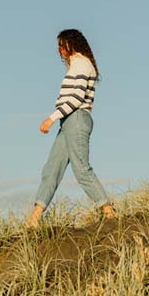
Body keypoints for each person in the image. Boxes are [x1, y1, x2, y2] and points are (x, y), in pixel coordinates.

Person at [24, 29, 117, 229]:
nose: (59, 50)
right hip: (68, 121)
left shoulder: (82, 63)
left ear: (71, 44)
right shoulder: (76, 64)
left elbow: (75, 99)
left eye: (62, 45)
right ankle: (34, 217)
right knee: (52, 168)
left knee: (81, 168)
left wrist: (51, 118)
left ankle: (108, 211)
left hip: (76, 118)